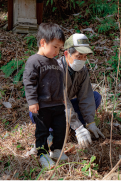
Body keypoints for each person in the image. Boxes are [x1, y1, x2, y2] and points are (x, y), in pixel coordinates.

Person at [23, 23, 92, 169]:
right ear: (43, 42)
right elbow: (29, 82)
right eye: (55, 47)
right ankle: (42, 154)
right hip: (43, 105)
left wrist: (63, 100)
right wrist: (33, 101)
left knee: (61, 128)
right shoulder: (34, 61)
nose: (57, 51)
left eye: (59, 48)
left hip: (58, 104)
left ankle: (57, 150)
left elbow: (61, 84)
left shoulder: (54, 62)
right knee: (42, 132)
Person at [56, 33, 105, 139]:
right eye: (78, 56)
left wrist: (90, 122)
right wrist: (78, 127)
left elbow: (86, 95)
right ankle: (54, 131)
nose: (82, 60)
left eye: (84, 57)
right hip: (51, 107)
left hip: (66, 109)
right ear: (66, 53)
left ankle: (79, 127)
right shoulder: (56, 70)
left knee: (95, 96)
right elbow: (62, 101)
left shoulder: (82, 71)